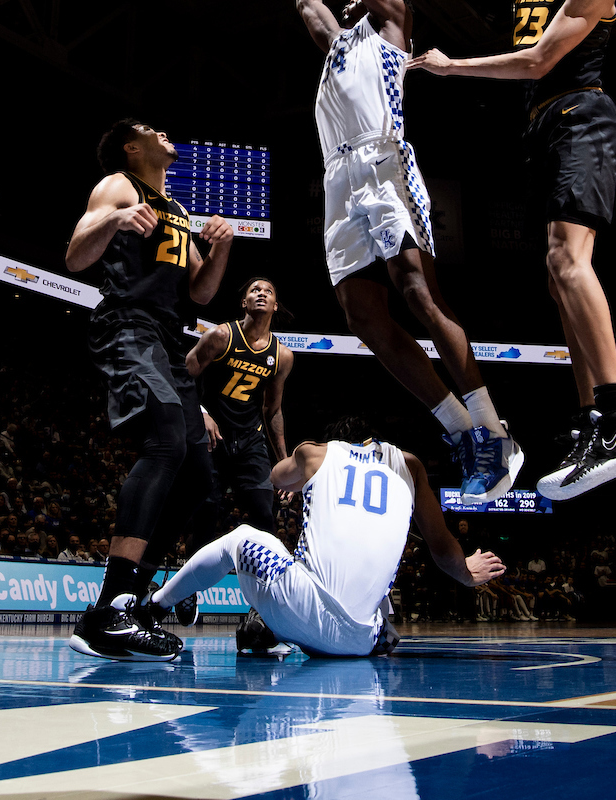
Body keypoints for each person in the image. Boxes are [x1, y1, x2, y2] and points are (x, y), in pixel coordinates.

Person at [334, 0, 616, 499]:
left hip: (581, 116)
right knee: (554, 272)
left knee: (569, 264)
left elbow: (540, 60)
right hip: (545, 127)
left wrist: (454, 69)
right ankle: (594, 417)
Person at [289, 0, 521, 505]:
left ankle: (495, 431)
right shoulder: (336, 47)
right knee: (363, 315)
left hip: (384, 163)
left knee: (418, 290)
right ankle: (460, 433)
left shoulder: (392, 22)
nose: (354, 1)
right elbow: (309, 3)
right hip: (339, 177)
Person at [65, 119, 233, 660]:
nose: (164, 131)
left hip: (168, 337)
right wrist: (114, 219)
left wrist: (222, 249)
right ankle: (109, 610)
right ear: (132, 148)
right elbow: (75, 258)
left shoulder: (180, 212)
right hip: (128, 324)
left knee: (198, 478)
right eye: (149, 129)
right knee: (164, 443)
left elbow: (200, 292)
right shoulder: (119, 186)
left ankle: (130, 604)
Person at [151, 417, 505, 657]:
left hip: (303, 607)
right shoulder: (410, 465)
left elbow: (276, 477)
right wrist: (467, 573)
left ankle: (156, 605)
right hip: (361, 640)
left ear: (337, 439)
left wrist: (304, 476)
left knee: (242, 537)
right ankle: (292, 629)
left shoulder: (316, 453)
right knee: (372, 593)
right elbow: (442, 549)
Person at [186, 277, 295, 538]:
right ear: (243, 302)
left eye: (268, 291)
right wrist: (201, 411)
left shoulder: (282, 355)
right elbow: (182, 375)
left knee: (264, 516)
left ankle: (264, 579)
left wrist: (286, 462)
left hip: (249, 439)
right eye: (255, 290)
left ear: (275, 305)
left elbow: (273, 411)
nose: (261, 294)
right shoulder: (221, 336)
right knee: (204, 516)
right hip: (212, 437)